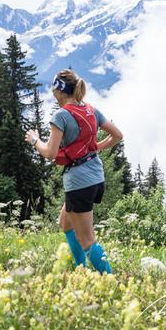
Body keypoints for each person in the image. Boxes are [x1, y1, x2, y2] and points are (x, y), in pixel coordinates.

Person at [25, 69, 122, 274]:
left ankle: (111, 279)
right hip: (96, 177)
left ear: (59, 92)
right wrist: (96, 147)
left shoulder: (60, 116)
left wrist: (34, 140)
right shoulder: (91, 110)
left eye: (54, 92)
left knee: (87, 240)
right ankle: (81, 269)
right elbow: (117, 136)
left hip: (79, 182)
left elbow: (50, 153)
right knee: (65, 223)